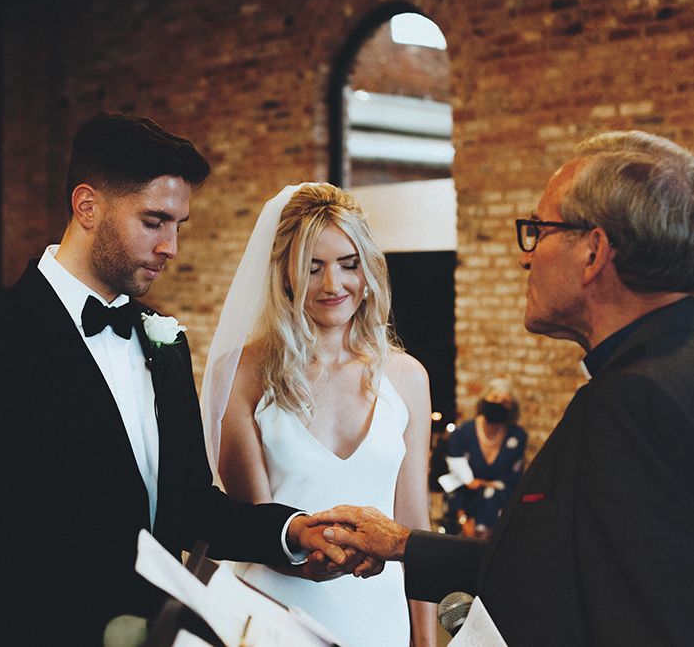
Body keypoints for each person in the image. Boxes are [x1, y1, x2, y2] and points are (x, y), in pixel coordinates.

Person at [0, 114, 349, 647]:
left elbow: (190, 502)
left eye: (177, 225)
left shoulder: (163, 342)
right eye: (153, 222)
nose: (171, 246)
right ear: (87, 206)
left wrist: (289, 532)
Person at [310, 130, 694, 645]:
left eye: (539, 230)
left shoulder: (632, 401)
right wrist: (404, 543)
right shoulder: (667, 365)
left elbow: (620, 611)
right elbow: (556, 557)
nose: (525, 257)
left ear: (594, 252)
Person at [200, 183, 436, 646]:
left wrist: (424, 639)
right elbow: (251, 521)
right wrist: (309, 564)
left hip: (378, 615)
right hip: (274, 614)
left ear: (368, 271)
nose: (333, 285)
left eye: (349, 265)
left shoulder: (408, 378)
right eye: (313, 267)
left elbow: (414, 525)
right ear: (286, 274)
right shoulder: (242, 373)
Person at [441, 378, 526, 538]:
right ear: (484, 399)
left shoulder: (516, 436)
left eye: (505, 401)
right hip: (462, 507)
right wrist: (463, 519)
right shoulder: (462, 433)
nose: (499, 404)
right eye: (494, 398)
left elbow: (514, 481)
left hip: (499, 512)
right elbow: (455, 480)